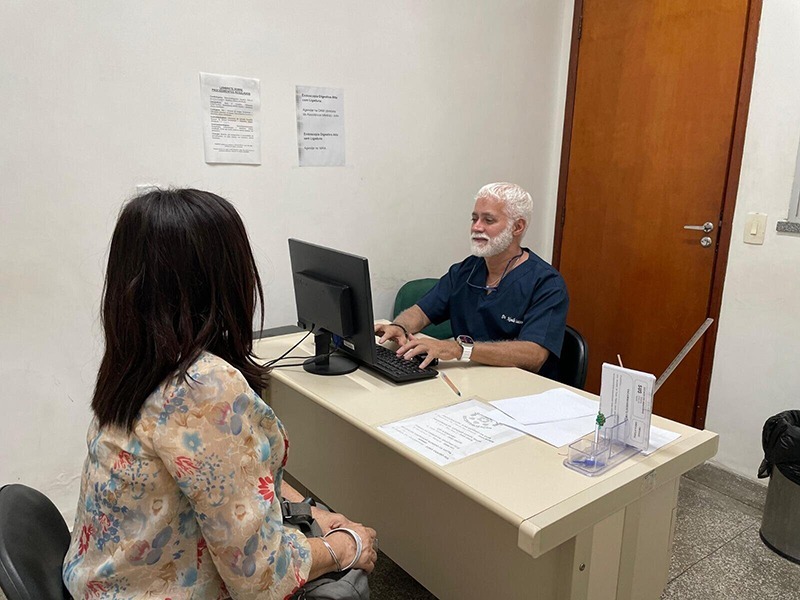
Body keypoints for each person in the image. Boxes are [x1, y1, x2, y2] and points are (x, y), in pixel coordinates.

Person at [63, 189, 377, 600]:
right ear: (223, 276)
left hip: (100, 579)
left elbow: (221, 476)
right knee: (351, 579)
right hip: (155, 588)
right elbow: (259, 578)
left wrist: (310, 510)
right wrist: (346, 547)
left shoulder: (136, 362)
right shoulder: (204, 388)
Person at [376, 182, 568, 379]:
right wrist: (399, 327)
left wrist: (459, 349)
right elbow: (421, 311)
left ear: (517, 227)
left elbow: (534, 355)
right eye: (474, 218)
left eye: (489, 220)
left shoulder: (546, 283)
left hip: (520, 389)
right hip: (469, 379)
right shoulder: (466, 270)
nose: (477, 227)